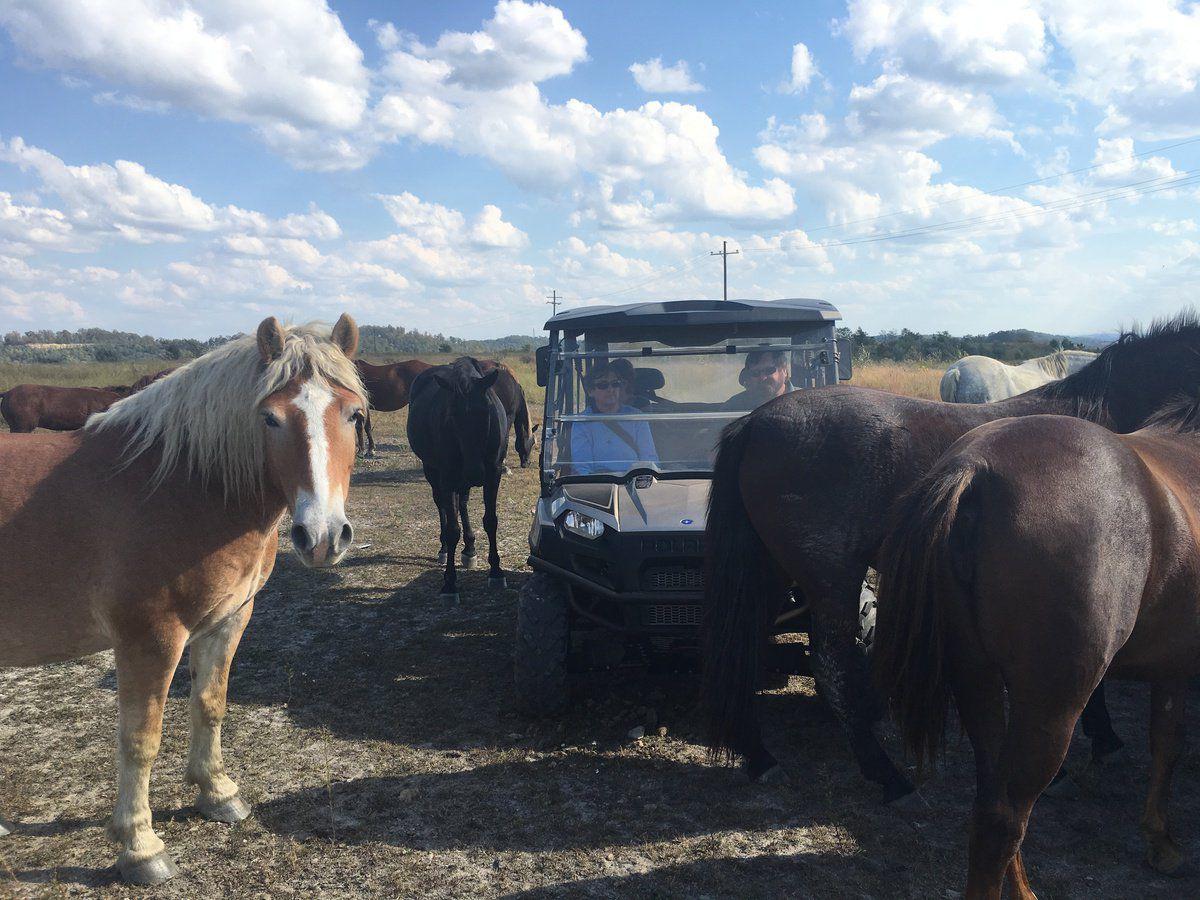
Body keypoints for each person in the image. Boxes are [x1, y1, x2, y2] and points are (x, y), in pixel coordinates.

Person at [569, 359, 658, 475]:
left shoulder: (636, 417)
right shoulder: (582, 422)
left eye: (615, 384)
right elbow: (582, 467)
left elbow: (650, 458)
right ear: (590, 391)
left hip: (635, 479)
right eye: (603, 385)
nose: (610, 389)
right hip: (600, 481)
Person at [722, 349, 794, 411]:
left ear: (784, 371)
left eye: (769, 370)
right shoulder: (734, 406)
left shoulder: (800, 400)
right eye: (755, 373)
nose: (762, 377)